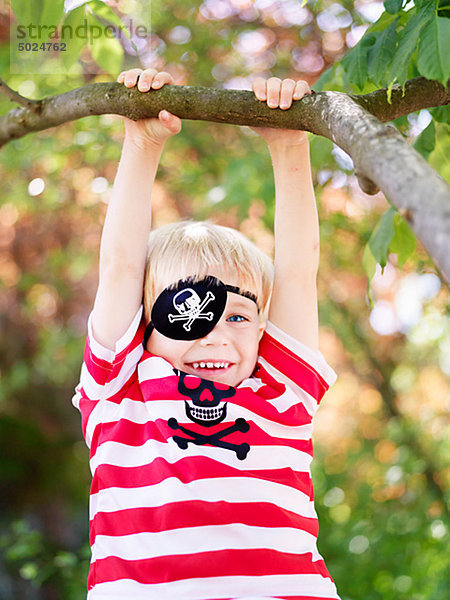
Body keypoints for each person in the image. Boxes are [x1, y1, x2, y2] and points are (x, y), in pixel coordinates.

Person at [73, 67, 341, 600]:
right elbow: (120, 265)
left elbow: (296, 271)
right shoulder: (120, 386)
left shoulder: (281, 392)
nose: (216, 335)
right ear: (146, 323)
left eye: (238, 316)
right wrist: (142, 141)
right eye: (187, 313)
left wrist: (290, 146)